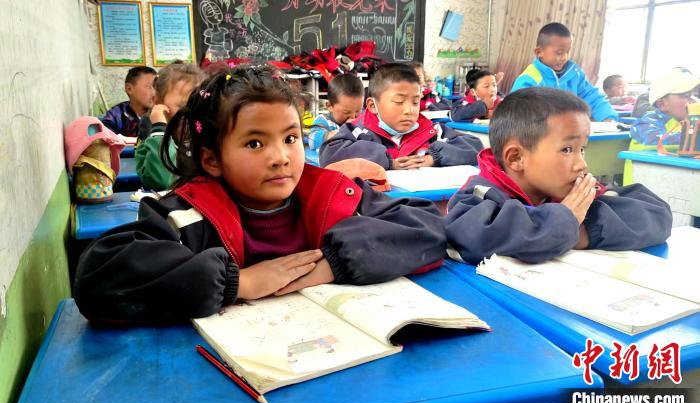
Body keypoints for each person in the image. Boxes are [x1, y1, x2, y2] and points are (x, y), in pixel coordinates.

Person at [73, 65, 446, 322]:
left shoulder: (332, 195)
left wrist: (334, 263)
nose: (280, 157)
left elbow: (427, 226)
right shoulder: (186, 216)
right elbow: (97, 278)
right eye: (255, 143)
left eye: (290, 138)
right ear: (212, 160)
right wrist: (239, 283)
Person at [445, 88, 672, 265]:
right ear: (516, 158)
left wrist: (581, 230)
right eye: (567, 150)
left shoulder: (570, 188)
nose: (582, 164)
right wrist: (565, 223)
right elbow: (470, 236)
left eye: (582, 149)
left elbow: (657, 214)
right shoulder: (478, 196)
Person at [320, 63, 483, 170]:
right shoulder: (359, 132)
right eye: (399, 101)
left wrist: (433, 158)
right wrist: (388, 161)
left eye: (415, 102)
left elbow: (475, 147)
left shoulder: (431, 131)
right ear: (372, 106)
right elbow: (329, 154)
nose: (409, 110)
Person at [511, 22, 618, 122]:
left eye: (567, 51)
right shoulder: (530, 79)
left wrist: (607, 117)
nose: (564, 57)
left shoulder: (575, 74)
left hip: (571, 130)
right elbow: (518, 114)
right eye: (559, 52)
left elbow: (591, 96)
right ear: (539, 52)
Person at [134, 62, 206, 190]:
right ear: (157, 102)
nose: (192, 112)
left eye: (198, 105)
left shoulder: (203, 133)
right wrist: (160, 130)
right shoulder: (151, 133)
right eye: (182, 106)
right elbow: (162, 181)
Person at [308, 74, 364, 151]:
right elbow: (312, 141)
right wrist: (343, 132)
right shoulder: (323, 120)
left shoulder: (362, 120)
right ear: (330, 106)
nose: (353, 117)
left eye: (358, 111)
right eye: (346, 112)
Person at [101, 66, 157, 137]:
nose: (154, 93)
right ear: (129, 89)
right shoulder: (115, 116)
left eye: (156, 87)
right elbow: (104, 139)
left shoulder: (161, 114)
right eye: (149, 86)